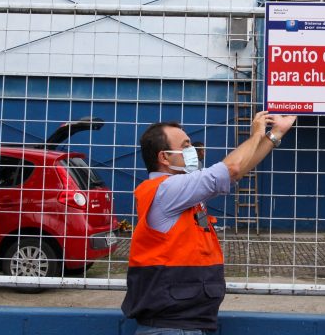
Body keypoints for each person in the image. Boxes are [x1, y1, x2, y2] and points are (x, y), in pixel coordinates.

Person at [121, 111, 296, 334]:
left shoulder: (183, 191)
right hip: (171, 328)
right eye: (185, 146)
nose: (193, 150)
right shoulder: (167, 190)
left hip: (187, 323)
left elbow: (237, 170)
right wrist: (256, 136)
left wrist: (275, 134)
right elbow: (231, 168)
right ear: (164, 157)